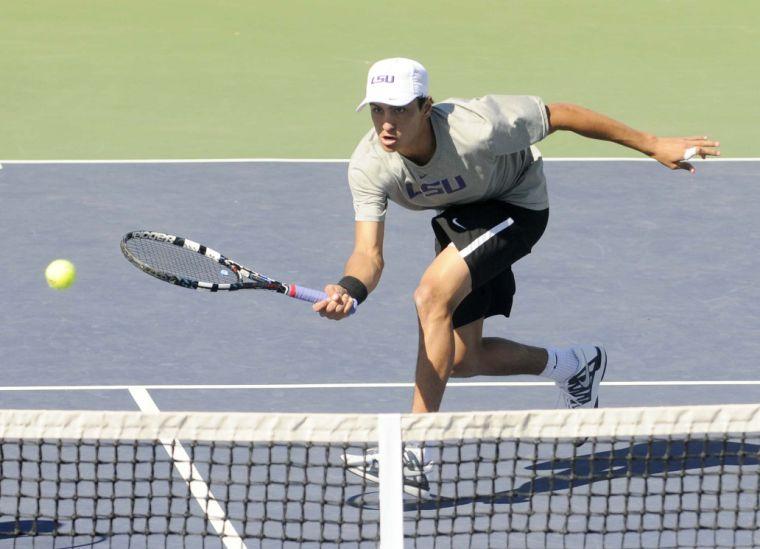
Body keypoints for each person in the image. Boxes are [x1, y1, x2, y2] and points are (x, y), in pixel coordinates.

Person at [316, 58, 720, 494]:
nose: (386, 123)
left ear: (425, 107)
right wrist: (349, 288)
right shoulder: (369, 165)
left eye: (398, 110)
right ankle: (575, 365)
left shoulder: (479, 126)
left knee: (430, 296)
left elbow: (561, 114)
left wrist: (652, 143)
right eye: (378, 109)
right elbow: (368, 255)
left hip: (518, 205)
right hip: (464, 217)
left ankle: (415, 449)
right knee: (459, 360)